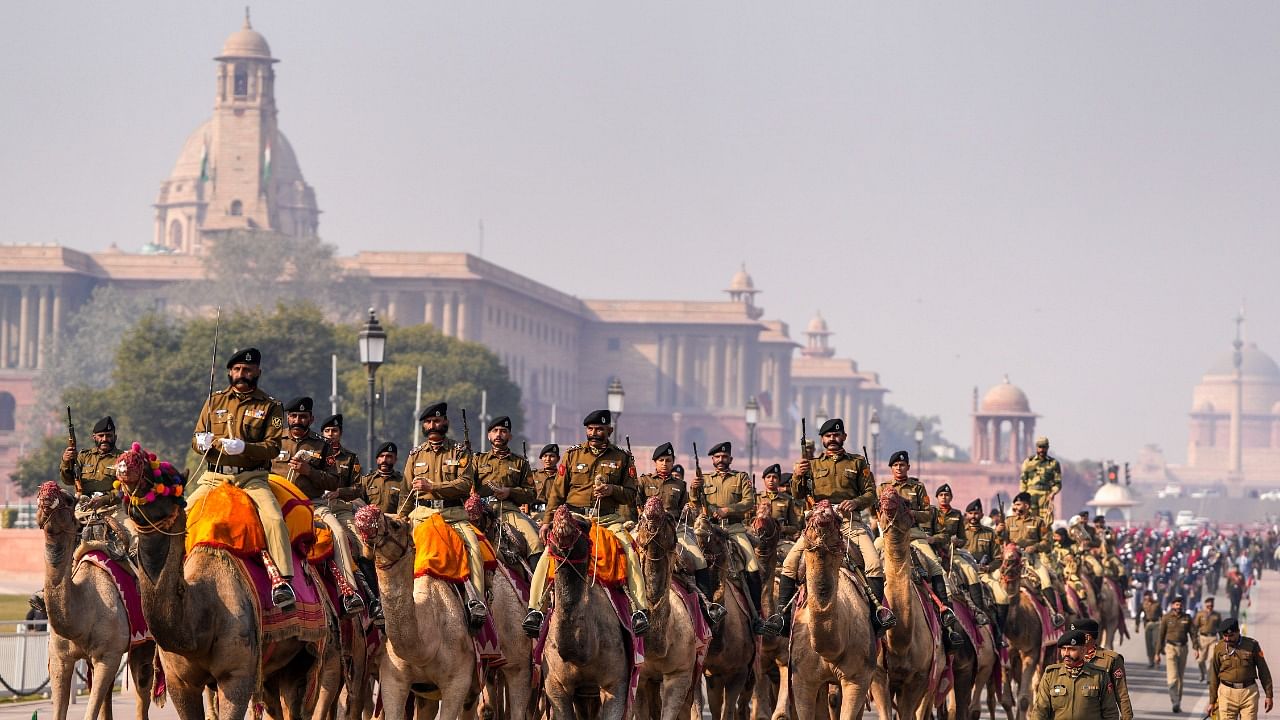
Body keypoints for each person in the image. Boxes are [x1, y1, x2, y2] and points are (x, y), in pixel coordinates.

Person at [523, 409, 648, 637]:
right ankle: (535, 610)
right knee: (548, 554)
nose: (594, 433)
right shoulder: (573, 455)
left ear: (609, 430)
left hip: (608, 520)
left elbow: (631, 494)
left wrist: (612, 490)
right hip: (575, 519)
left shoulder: (622, 458)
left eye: (599, 429)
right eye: (590, 429)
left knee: (629, 551)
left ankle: (640, 610)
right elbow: (557, 493)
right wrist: (547, 522)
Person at [190, 347, 294, 607]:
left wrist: (245, 448)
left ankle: (283, 581)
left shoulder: (271, 406)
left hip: (251, 478)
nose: (241, 374)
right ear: (229, 372)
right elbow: (196, 438)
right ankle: (170, 572)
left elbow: (274, 447)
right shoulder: (213, 401)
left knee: (273, 517)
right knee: (183, 512)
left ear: (257, 372)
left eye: (247, 370)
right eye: (236, 369)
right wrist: (200, 443)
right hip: (214, 477)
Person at [779, 417, 894, 635]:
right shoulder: (812, 464)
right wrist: (797, 475)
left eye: (836, 435)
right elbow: (797, 494)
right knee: (789, 562)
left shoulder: (857, 463)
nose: (833, 439)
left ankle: (876, 615)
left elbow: (870, 494)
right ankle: (781, 617)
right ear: (822, 439)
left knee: (873, 563)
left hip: (849, 522)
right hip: (819, 523)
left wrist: (856, 502)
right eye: (828, 436)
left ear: (844, 437)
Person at [268, 397, 364, 616]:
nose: (298, 420)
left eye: (303, 416)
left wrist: (308, 471)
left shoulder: (322, 445)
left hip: (314, 504)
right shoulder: (274, 440)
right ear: (287, 418)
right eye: (293, 416)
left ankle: (349, 592)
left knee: (339, 532)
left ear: (311, 418)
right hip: (279, 502)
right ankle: (276, 582)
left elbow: (334, 482)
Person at [402, 401, 490, 629]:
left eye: (437, 421)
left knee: (474, 548)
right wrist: (401, 517)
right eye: (428, 422)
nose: (432, 426)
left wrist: (433, 487)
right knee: (397, 549)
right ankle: (392, 600)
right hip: (422, 514)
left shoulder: (459, 452)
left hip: (453, 514)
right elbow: (406, 492)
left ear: (445, 423)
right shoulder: (415, 455)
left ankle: (475, 600)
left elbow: (464, 484)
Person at [690, 440, 777, 636]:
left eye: (724, 457)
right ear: (712, 459)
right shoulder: (704, 479)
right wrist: (695, 491)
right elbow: (695, 504)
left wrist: (727, 510)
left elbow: (749, 502)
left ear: (730, 458)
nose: (721, 460)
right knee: (692, 563)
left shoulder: (740, 478)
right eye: (717, 457)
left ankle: (757, 617)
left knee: (752, 566)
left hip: (734, 530)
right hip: (710, 530)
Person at [877, 452, 963, 647]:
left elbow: (926, 514)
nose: (899, 468)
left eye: (903, 465)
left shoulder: (918, 487)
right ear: (891, 468)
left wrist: (909, 513)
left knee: (934, 567)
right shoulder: (882, 488)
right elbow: (874, 512)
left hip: (914, 534)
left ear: (908, 467)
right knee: (871, 562)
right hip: (888, 536)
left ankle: (945, 616)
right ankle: (870, 612)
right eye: (896, 465)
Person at [639, 442, 723, 625]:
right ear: (655, 462)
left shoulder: (679, 485)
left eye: (668, 460)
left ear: (673, 462)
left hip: (674, 530)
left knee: (700, 560)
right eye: (661, 460)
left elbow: (687, 512)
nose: (664, 463)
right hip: (646, 531)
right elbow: (634, 506)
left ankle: (706, 607)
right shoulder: (644, 481)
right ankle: (634, 607)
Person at [474, 416, 542, 561]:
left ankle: (537, 583)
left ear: (509, 436)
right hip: (480, 511)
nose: (498, 434)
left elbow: (531, 494)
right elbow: (466, 486)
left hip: (509, 511)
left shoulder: (520, 463)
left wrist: (510, 492)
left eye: (503, 431)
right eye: (495, 431)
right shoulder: (477, 460)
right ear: (488, 435)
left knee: (535, 543)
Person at [1030, 630, 1120, 720]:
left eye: (1072, 649)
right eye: (1063, 649)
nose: (1066, 654)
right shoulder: (1051, 675)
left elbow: (1110, 712)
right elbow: (1040, 710)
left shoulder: (1099, 675)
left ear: (1083, 650)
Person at [1006, 491, 1064, 626]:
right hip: (1011, 560)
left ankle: (1055, 615)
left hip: (1032, 560)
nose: (1015, 507)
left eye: (1019, 504)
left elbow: (1047, 542)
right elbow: (1000, 542)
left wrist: (1035, 547)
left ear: (1027, 506)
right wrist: (998, 533)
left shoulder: (1038, 522)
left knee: (1046, 580)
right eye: (1014, 504)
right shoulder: (1008, 522)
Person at [1207, 617, 1274, 719]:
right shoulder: (1219, 648)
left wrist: (1269, 695)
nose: (1227, 639)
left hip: (1248, 693)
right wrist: (1212, 701)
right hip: (1226, 694)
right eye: (1225, 636)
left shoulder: (1252, 645)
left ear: (1238, 632)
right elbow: (1214, 675)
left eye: (1231, 635)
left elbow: (1263, 671)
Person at [1070, 618, 1133, 720]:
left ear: (1087, 637)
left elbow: (1121, 692)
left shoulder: (1111, 660)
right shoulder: (1068, 658)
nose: (1070, 639)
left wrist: (1127, 717)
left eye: (1074, 636)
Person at [60, 416, 122, 497]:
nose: (104, 439)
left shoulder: (122, 458)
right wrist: (66, 461)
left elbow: (125, 488)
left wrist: (106, 499)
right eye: (101, 436)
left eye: (109, 436)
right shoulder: (84, 456)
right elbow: (68, 481)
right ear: (94, 437)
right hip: (84, 504)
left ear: (115, 437)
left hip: (111, 505)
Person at [1157, 594, 1194, 713]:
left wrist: (1197, 648)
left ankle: (1178, 701)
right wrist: (1157, 653)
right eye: (1177, 604)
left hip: (1183, 648)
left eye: (1180, 604)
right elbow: (1161, 636)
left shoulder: (1187, 618)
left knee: (1180, 677)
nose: (1179, 606)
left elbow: (1193, 634)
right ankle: (1175, 701)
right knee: (1172, 677)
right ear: (1173, 605)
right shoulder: (1166, 617)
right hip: (1170, 648)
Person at [1020, 436, 1062, 524]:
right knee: (1030, 522)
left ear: (1047, 448)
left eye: (1044, 447)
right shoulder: (1028, 462)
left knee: (1046, 524)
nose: (1041, 450)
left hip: (1046, 496)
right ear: (1036, 447)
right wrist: (1023, 497)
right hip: (1030, 496)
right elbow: (1023, 481)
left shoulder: (1053, 463)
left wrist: (1052, 493)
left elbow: (1058, 483)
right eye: (1040, 447)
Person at [360, 441, 406, 514]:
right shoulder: (366, 481)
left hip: (394, 522)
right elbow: (359, 504)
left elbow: (405, 507)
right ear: (377, 459)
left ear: (395, 460)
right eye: (381, 456)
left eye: (389, 456)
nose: (384, 460)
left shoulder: (402, 482)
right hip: (371, 522)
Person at [1194, 597, 1224, 682]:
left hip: (1213, 638)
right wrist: (1195, 642)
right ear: (1205, 605)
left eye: (1211, 605)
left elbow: (1220, 629)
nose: (1210, 606)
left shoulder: (1217, 615)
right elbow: (1195, 628)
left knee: (1211, 659)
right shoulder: (1200, 614)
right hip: (1203, 638)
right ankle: (1202, 673)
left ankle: (1209, 678)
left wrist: (1222, 641)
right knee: (1200, 660)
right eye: (1208, 605)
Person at [530, 444, 559, 521]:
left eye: (552, 456)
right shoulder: (534, 475)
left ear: (558, 459)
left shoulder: (562, 477)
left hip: (553, 514)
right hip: (534, 512)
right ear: (541, 458)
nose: (548, 459)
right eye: (545, 456)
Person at [1137, 591, 1163, 669]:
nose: (1148, 597)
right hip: (1147, 625)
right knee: (1148, 644)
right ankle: (1151, 661)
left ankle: (1157, 661)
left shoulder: (1157, 604)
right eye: (1146, 596)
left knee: (1155, 643)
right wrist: (1137, 626)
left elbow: (1161, 615)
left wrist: (1163, 626)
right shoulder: (1142, 604)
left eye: (1149, 595)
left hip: (1156, 624)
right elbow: (1138, 615)